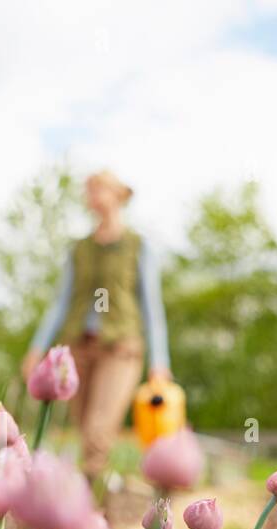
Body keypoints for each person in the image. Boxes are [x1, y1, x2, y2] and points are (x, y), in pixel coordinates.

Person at [22, 169, 171, 483]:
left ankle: (92, 513)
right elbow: (60, 303)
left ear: (117, 195)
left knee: (97, 432)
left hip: (120, 349)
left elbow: (152, 308)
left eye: (97, 189)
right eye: (88, 191)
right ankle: (91, 509)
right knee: (84, 431)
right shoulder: (80, 248)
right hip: (78, 347)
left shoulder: (137, 246)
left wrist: (159, 363)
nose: (91, 197)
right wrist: (37, 349)